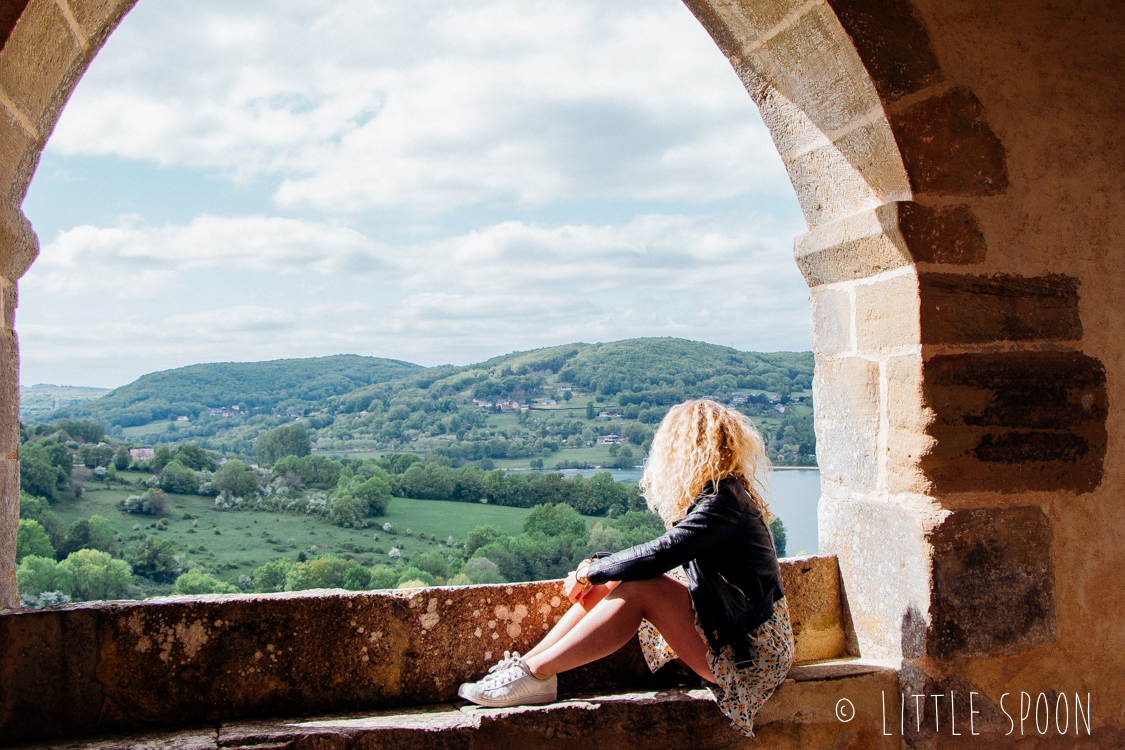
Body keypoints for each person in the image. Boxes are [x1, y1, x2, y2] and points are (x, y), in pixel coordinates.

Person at [457, 399, 794, 737]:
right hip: (734, 636)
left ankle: (536, 672)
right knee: (619, 576)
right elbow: (655, 554)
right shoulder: (720, 498)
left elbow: (659, 554)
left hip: (752, 654)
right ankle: (526, 670)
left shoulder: (724, 503)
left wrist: (590, 571)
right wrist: (601, 567)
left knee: (639, 587)